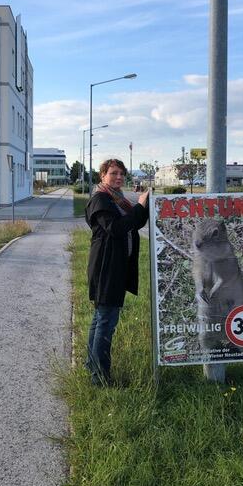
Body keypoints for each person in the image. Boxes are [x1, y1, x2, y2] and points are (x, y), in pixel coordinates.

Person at [85, 158, 149, 385]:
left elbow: (134, 223)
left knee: (101, 318)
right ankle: (100, 378)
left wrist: (144, 207)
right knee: (105, 320)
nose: (119, 177)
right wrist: (140, 206)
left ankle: (92, 366)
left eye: (121, 173)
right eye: (113, 173)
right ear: (102, 176)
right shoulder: (100, 199)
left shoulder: (118, 200)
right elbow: (116, 228)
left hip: (114, 267)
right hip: (106, 268)